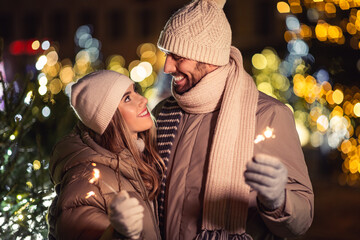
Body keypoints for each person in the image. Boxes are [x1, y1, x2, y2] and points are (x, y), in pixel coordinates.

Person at [152, 0, 314, 239]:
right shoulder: (162, 114)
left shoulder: (268, 115)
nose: (167, 67)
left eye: (177, 56)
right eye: (166, 54)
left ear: (206, 57)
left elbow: (302, 220)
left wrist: (278, 200)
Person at [47, 70, 163, 240]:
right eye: (127, 98)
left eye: (135, 91)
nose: (143, 99)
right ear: (110, 119)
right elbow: (80, 232)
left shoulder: (140, 157)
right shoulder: (85, 177)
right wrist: (117, 233)